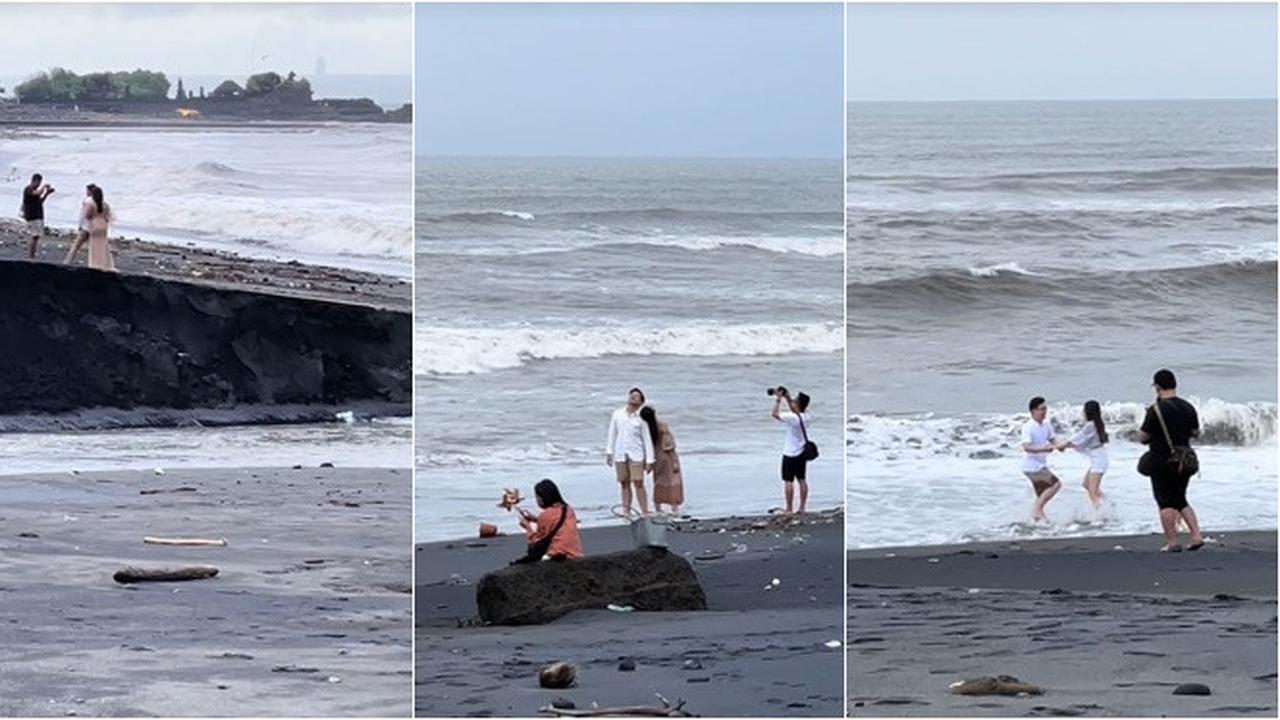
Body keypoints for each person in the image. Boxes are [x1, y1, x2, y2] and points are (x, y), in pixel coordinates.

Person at [1138, 369, 1203, 552]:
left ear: (1157, 387)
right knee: (1180, 499)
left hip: (1161, 461)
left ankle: (1172, 541)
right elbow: (1196, 433)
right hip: (1185, 460)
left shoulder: (1155, 410)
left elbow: (1143, 438)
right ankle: (1196, 535)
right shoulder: (1188, 406)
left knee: (1165, 500)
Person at [605, 387, 654, 519]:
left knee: (638, 482)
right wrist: (609, 451)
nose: (633, 397)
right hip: (620, 453)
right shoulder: (618, 414)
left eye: (636, 396)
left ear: (641, 401)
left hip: (636, 453)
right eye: (631, 395)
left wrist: (650, 460)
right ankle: (626, 510)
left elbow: (647, 438)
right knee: (624, 482)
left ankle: (644, 510)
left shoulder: (642, 418)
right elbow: (612, 433)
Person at [515, 479, 583, 562]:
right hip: (576, 554)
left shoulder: (545, 515)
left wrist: (527, 526)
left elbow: (536, 542)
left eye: (537, 497)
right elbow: (557, 522)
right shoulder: (569, 509)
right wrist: (536, 519)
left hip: (559, 556)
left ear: (542, 498)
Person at [1059, 400, 1109, 511]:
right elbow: (1081, 441)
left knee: (1092, 492)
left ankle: (1100, 515)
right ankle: (1108, 504)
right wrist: (1065, 445)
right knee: (1086, 484)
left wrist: (1062, 445)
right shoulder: (1097, 423)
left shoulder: (1091, 425)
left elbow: (1078, 439)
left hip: (1099, 461)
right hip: (1099, 458)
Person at [771, 387, 812, 515]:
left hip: (790, 453)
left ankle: (789, 508)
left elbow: (775, 414)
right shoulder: (806, 417)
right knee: (802, 479)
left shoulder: (793, 418)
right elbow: (795, 410)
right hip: (801, 453)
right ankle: (802, 507)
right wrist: (787, 397)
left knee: (788, 481)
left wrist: (778, 400)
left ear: (798, 405)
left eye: (795, 401)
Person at [1021, 396, 1061, 522]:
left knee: (1041, 494)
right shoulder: (1028, 427)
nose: (1044, 412)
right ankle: (1036, 510)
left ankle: (1038, 522)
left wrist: (1060, 446)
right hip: (1031, 466)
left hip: (1040, 464)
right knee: (1056, 484)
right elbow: (1026, 447)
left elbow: (1052, 439)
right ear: (1033, 411)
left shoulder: (1046, 425)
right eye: (1041, 409)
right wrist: (1043, 449)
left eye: (1045, 409)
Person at [641, 406, 684, 516]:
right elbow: (669, 446)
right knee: (673, 482)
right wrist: (674, 461)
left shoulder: (646, 429)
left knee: (658, 481)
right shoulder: (662, 426)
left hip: (655, 457)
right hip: (667, 457)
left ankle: (658, 507)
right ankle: (674, 508)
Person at [80, 185, 116, 272]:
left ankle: (95, 263)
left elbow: (87, 216)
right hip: (103, 225)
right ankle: (105, 263)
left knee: (94, 245)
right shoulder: (105, 205)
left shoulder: (92, 204)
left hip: (95, 224)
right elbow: (108, 217)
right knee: (103, 244)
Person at [20, 173, 54, 259]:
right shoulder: (28, 189)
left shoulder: (33, 190)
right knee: (34, 236)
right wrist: (44, 187)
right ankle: (31, 255)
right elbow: (37, 193)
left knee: (36, 236)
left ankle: (32, 254)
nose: (39, 184)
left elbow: (40, 201)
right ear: (35, 181)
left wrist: (47, 193)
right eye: (39, 182)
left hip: (37, 214)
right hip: (32, 215)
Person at [64, 184, 97, 266]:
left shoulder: (88, 200)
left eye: (87, 190)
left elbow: (83, 215)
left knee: (76, 245)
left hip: (85, 227)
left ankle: (68, 261)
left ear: (90, 191)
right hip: (94, 227)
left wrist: (80, 224)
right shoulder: (97, 201)